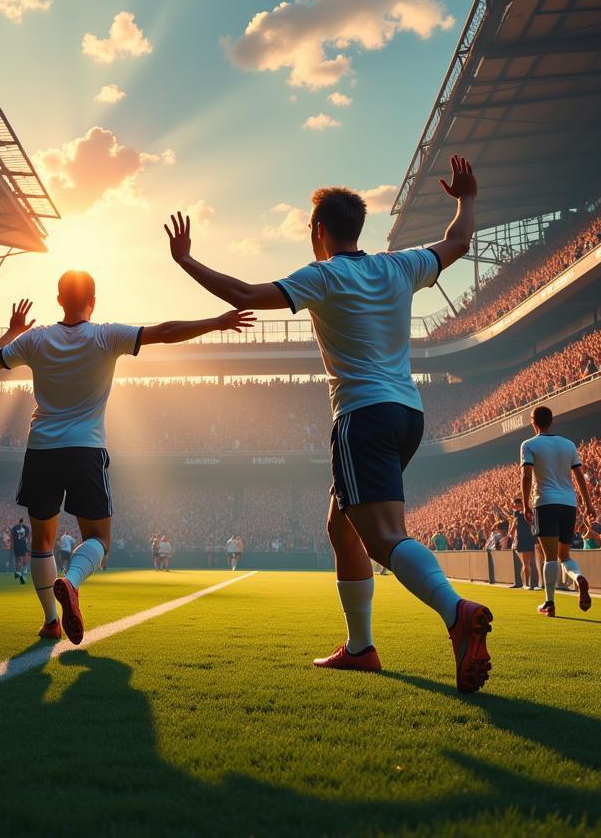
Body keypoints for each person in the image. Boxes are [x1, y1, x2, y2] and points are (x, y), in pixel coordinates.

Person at [163, 155, 493, 692]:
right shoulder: (400, 265)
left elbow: (247, 296)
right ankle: (361, 648)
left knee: (383, 540)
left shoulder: (323, 276)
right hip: (407, 413)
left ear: (318, 231)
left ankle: (456, 612)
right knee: (342, 527)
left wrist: (186, 261)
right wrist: (467, 199)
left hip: (361, 416)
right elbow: (457, 243)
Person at [0, 272, 255, 643]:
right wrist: (216, 322)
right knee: (99, 539)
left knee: (42, 543)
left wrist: (13, 331)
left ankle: (50, 621)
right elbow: (166, 332)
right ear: (94, 299)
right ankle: (71, 583)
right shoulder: (106, 335)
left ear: (59, 300)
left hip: (41, 447)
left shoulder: (36, 338)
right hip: (86, 448)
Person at [520, 406, 594, 618]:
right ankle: (578, 577)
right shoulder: (568, 444)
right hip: (569, 503)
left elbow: (526, 476)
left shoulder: (529, 444)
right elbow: (579, 475)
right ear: (551, 421)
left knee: (550, 557)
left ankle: (549, 603)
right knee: (564, 556)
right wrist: (588, 504)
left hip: (545, 503)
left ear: (533, 422)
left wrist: (526, 504)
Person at [507, 496, 536, 590]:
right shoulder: (517, 514)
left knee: (528, 563)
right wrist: (512, 536)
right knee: (525, 563)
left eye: (515, 504)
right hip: (522, 539)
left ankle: (528, 583)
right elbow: (513, 526)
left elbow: (532, 523)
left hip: (529, 538)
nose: (514, 506)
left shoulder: (528, 512)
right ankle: (526, 583)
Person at [10, 518, 29, 584]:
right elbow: (26, 536)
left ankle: (18, 574)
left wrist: (11, 546)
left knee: (18, 560)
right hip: (22, 545)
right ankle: (20, 576)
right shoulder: (25, 528)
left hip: (16, 545)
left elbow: (11, 537)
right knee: (21, 560)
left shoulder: (14, 528)